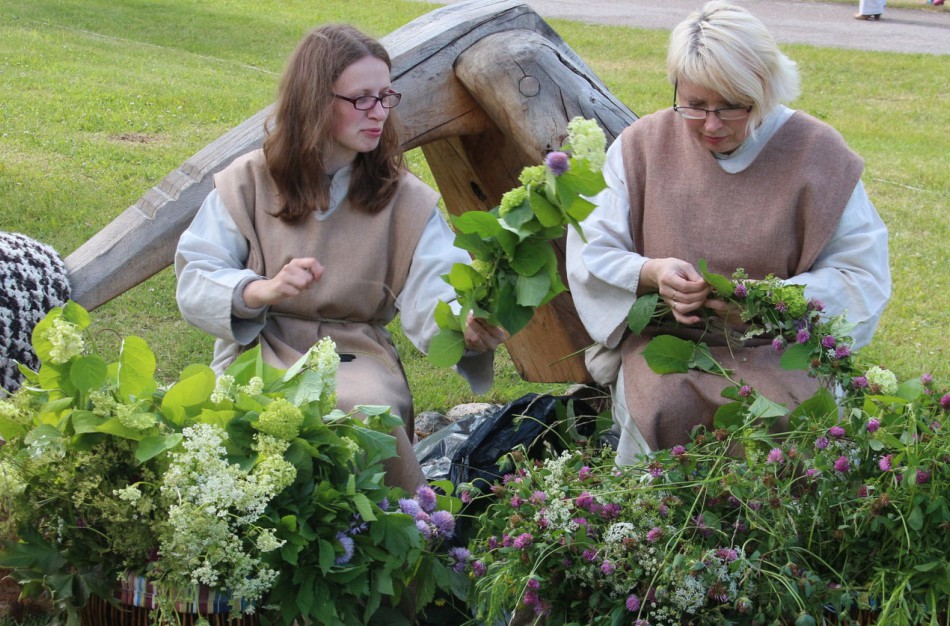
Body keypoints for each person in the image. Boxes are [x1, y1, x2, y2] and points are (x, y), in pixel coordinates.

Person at [175, 24, 506, 491]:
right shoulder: (249, 181)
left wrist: (466, 326)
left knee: (364, 414)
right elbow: (196, 276)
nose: (379, 114)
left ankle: (377, 550)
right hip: (261, 347)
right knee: (256, 414)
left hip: (355, 354)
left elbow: (439, 285)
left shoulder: (405, 200)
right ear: (313, 101)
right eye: (361, 99)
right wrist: (259, 290)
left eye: (386, 96)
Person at [566, 1, 890, 462]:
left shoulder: (818, 155)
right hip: (671, 347)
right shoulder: (642, 146)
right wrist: (651, 272)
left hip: (781, 347)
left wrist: (768, 303)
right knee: (661, 404)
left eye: (732, 107)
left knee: (792, 417)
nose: (712, 125)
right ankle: (655, 529)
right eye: (695, 106)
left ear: (764, 91)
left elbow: (862, 275)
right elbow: (591, 251)